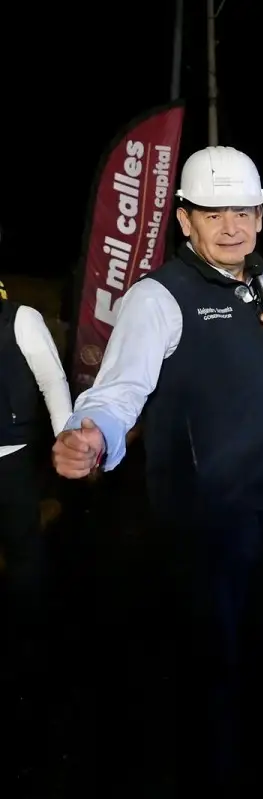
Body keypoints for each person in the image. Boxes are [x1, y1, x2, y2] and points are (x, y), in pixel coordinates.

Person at [49, 145, 263, 797]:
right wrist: (92, 434)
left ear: (262, 216)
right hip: (208, 524)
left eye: (243, 210)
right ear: (185, 220)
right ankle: (215, 778)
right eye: (214, 213)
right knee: (209, 663)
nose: (231, 226)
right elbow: (119, 390)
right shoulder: (158, 297)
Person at [0, 278, 71, 687]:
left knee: (23, 552)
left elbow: (52, 380)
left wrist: (66, 438)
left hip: (11, 457)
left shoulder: (21, 318)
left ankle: (31, 652)